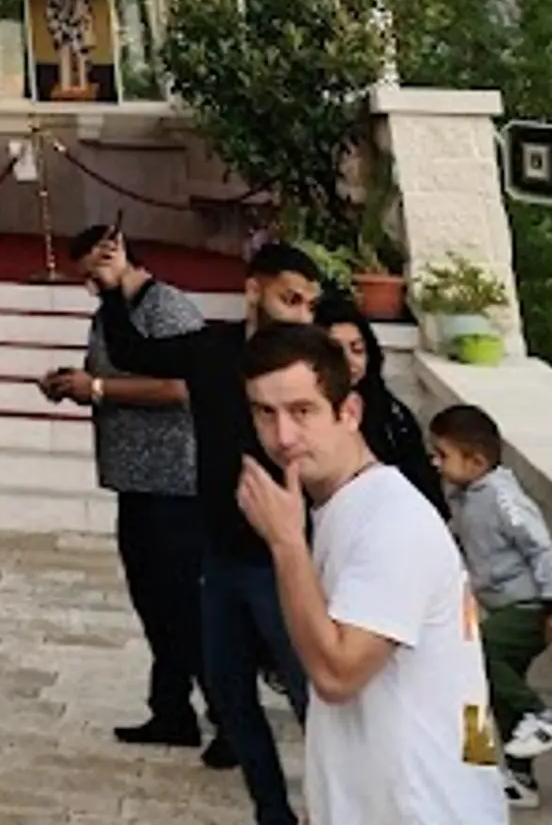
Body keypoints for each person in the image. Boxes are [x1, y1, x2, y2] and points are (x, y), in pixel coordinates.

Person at [233, 323, 505, 824]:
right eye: (265, 414)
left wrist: (286, 543)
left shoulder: (392, 523)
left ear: (349, 412)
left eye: (303, 411)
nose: (283, 437)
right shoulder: (345, 507)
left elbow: (338, 674)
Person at [98, 238, 329, 825]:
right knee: (230, 696)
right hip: (221, 554)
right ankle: (274, 815)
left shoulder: (312, 364)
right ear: (254, 289)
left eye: (310, 302)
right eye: (290, 296)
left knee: (314, 701)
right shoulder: (212, 350)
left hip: (285, 557)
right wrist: (117, 284)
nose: (302, 311)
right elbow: (131, 349)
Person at [37, 220, 209, 748]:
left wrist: (103, 388)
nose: (91, 284)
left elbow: (183, 387)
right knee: (153, 601)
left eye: (97, 271)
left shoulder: (168, 308)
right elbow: (106, 378)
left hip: (173, 480)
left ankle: (228, 715)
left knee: (183, 604)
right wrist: (75, 384)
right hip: (132, 479)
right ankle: (171, 709)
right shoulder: (108, 315)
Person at [432, 404, 552, 810]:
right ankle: (519, 777)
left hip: (527, 607)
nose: (437, 463)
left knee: (480, 656)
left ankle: (544, 717)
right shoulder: (462, 494)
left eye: (443, 455)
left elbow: (542, 549)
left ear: (476, 460)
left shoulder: (503, 497)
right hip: (493, 605)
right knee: (494, 691)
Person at [315, 293, 447, 515]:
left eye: (357, 349)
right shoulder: (305, 420)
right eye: (336, 352)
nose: (350, 362)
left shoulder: (392, 416)